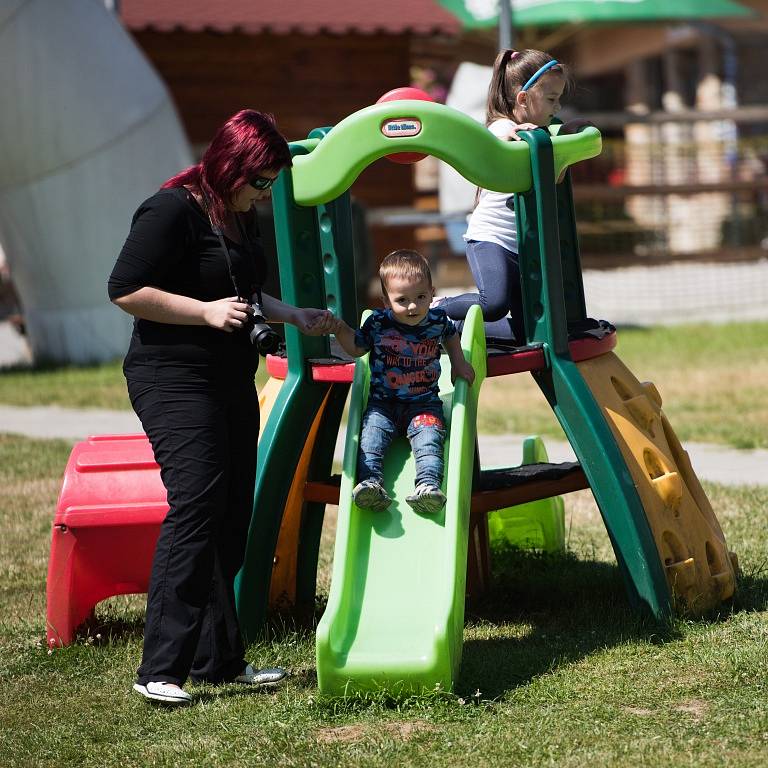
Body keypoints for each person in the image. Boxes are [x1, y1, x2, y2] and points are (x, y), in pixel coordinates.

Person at [108, 109, 333, 706]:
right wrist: (205, 313)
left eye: (270, 186)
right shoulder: (171, 209)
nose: (263, 194)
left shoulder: (237, 215)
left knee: (234, 510)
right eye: (258, 182)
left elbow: (238, 288)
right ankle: (160, 668)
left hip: (230, 376)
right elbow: (125, 289)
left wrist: (291, 315)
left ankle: (219, 660)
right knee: (198, 506)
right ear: (230, 164)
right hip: (173, 379)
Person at [326, 250, 475, 515]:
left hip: (424, 405)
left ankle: (428, 488)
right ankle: (370, 485)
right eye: (402, 300)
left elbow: (451, 337)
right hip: (382, 405)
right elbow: (357, 349)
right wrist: (340, 329)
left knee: (430, 440)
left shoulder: (438, 320)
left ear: (432, 292)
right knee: (370, 439)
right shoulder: (378, 324)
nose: (413, 306)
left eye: (420, 297)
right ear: (385, 300)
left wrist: (459, 362)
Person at [438, 49, 568, 343]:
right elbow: (493, 142)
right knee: (493, 304)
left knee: (529, 330)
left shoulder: (541, 136)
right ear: (523, 99)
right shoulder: (504, 127)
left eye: (559, 98)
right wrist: (515, 135)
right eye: (551, 99)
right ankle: (437, 310)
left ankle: (454, 330)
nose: (557, 106)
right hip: (491, 238)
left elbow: (555, 178)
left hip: (521, 245)